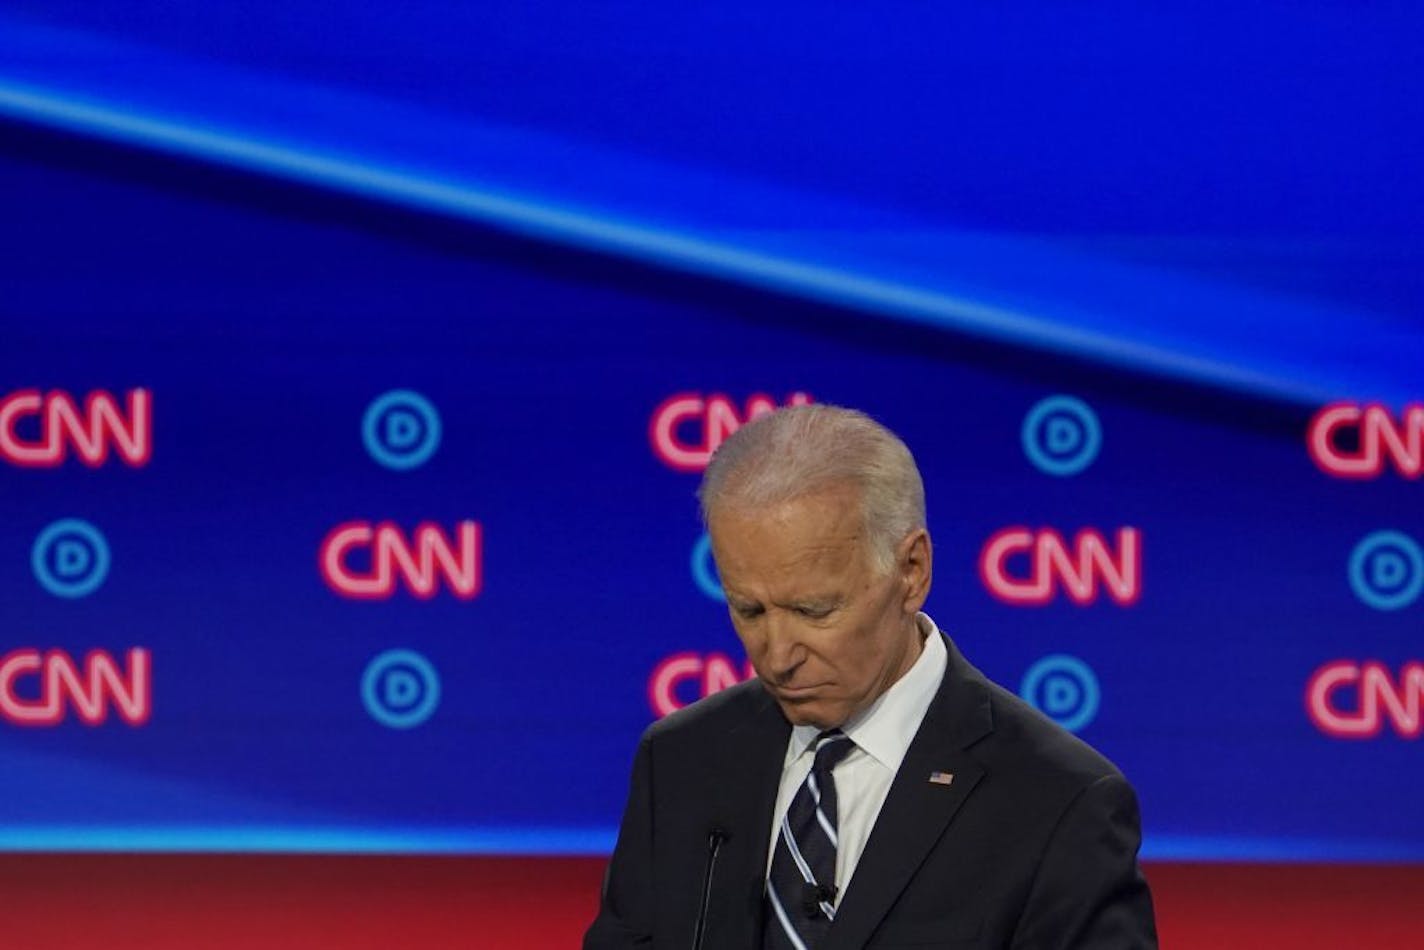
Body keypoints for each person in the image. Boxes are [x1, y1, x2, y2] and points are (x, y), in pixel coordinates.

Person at [585, 405, 1157, 949]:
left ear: (911, 571)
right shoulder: (683, 760)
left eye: (815, 611)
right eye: (749, 611)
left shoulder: (1059, 802)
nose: (777, 655)